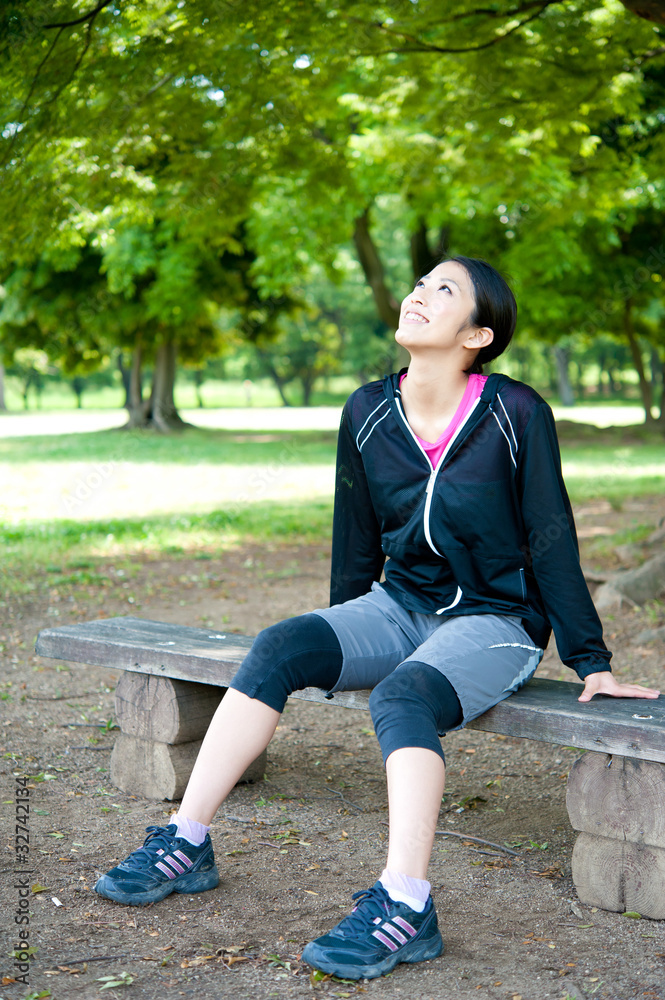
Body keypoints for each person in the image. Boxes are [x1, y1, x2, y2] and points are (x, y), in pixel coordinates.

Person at [95, 256, 659, 981]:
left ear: (477, 335)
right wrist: (337, 634)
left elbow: (552, 537)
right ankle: (186, 840)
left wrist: (592, 662)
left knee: (400, 696)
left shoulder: (515, 413)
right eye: (419, 284)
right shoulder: (366, 409)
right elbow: (353, 533)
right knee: (279, 647)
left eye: (443, 290)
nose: (419, 295)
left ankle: (405, 905)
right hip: (397, 606)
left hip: (496, 621)